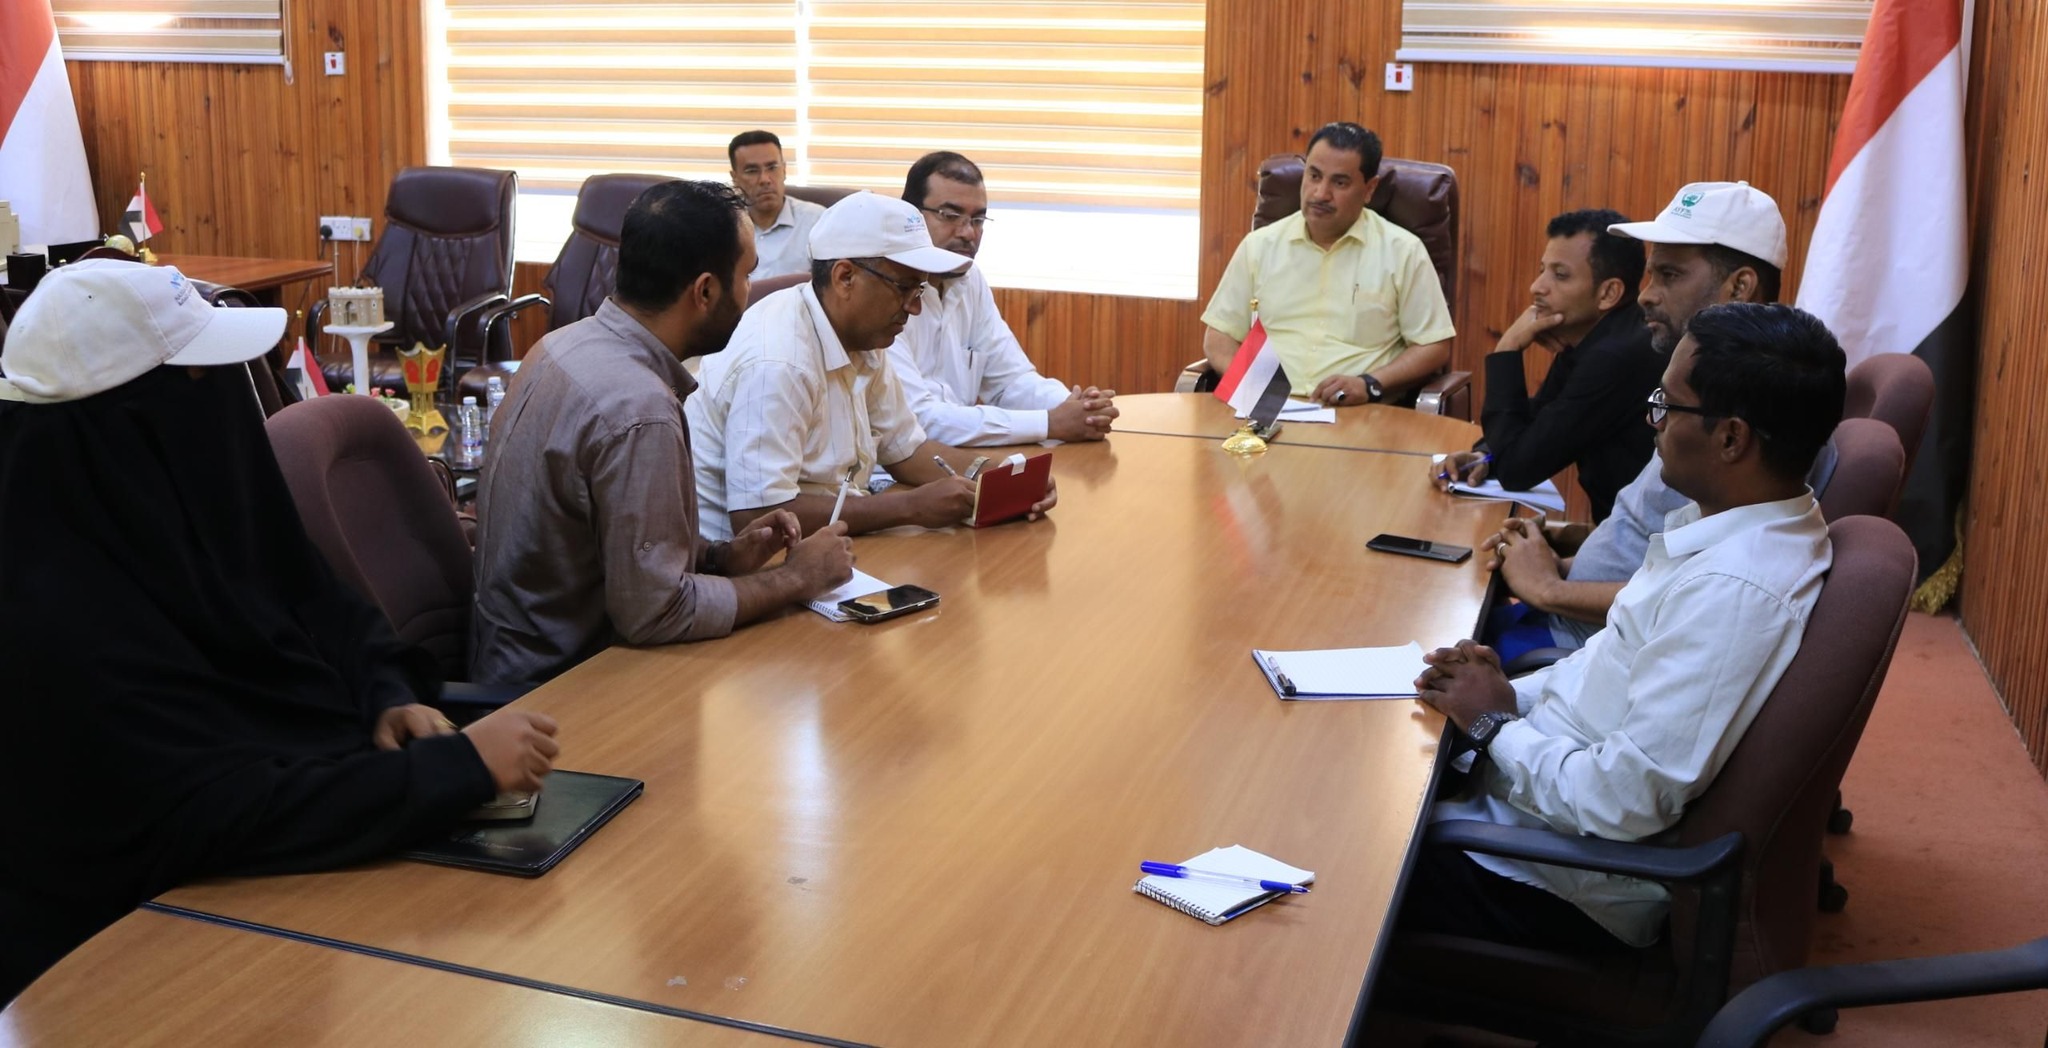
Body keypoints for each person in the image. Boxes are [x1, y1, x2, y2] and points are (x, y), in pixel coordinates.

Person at [0, 260, 560, 1002]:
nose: (226, 400)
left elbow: (325, 607)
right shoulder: (52, 609)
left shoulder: (184, 515)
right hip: (141, 973)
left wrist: (387, 694)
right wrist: (458, 771)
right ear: (136, 417)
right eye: (201, 380)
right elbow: (208, 814)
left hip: (302, 914)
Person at [1398, 301, 1847, 952]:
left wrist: (1495, 724)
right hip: (1528, 807)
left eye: (1667, 404)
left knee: (1335, 844)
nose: (1651, 419)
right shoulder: (1731, 527)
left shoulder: (1733, 590)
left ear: (1731, 439)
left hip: (1554, 877)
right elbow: (1609, 663)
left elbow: (1623, 800)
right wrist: (1500, 693)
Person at [471, 180, 855, 686]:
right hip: (562, 688)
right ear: (705, 291)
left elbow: (606, 542)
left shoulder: (561, 344)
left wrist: (717, 556)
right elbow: (656, 612)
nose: (750, 293)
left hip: (510, 655)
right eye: (746, 276)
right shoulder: (640, 409)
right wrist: (795, 578)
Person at [1476, 181, 1828, 658]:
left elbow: (1697, 596)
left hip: (1588, 647)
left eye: (1669, 275)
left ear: (1739, 287)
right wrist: (1556, 556)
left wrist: (1546, 587)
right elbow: (1651, 538)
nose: (1645, 296)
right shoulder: (1697, 381)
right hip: (1572, 615)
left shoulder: (1741, 416)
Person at [691, 192, 1056, 540]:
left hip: (822, 539)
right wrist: (909, 507)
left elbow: (907, 451)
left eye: (921, 290)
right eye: (905, 288)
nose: (915, 308)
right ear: (845, 277)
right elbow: (757, 517)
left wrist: (996, 475)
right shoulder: (779, 361)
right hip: (743, 563)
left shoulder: (862, 335)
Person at [1200, 121, 1455, 406]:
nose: (1321, 193)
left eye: (1340, 182)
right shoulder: (1260, 246)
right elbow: (1219, 336)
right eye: (1314, 176)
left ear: (1369, 189)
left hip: (1358, 411)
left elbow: (1433, 345)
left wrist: (1370, 384)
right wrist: (1257, 390)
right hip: (1266, 409)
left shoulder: (1403, 251)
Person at [1430, 209, 1659, 522]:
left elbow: (1517, 469)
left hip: (1640, 542)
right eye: (1542, 270)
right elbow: (1539, 420)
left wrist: (1507, 349)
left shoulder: (1616, 357)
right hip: (1618, 529)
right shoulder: (1601, 335)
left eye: (1560, 275)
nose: (1537, 287)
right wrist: (1483, 455)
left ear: (1608, 293)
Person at [886, 151, 1118, 446]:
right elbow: (917, 419)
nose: (968, 233)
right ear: (911, 214)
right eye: (950, 215)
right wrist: (1050, 422)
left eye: (978, 219)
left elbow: (1011, 381)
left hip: (959, 458)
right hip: (894, 467)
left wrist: (1079, 408)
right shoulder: (885, 290)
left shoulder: (970, 279)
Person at [730, 130, 825, 280]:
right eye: (752, 171)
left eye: (772, 167)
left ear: (784, 170)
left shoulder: (817, 222)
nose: (765, 179)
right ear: (735, 178)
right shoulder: (726, 227)